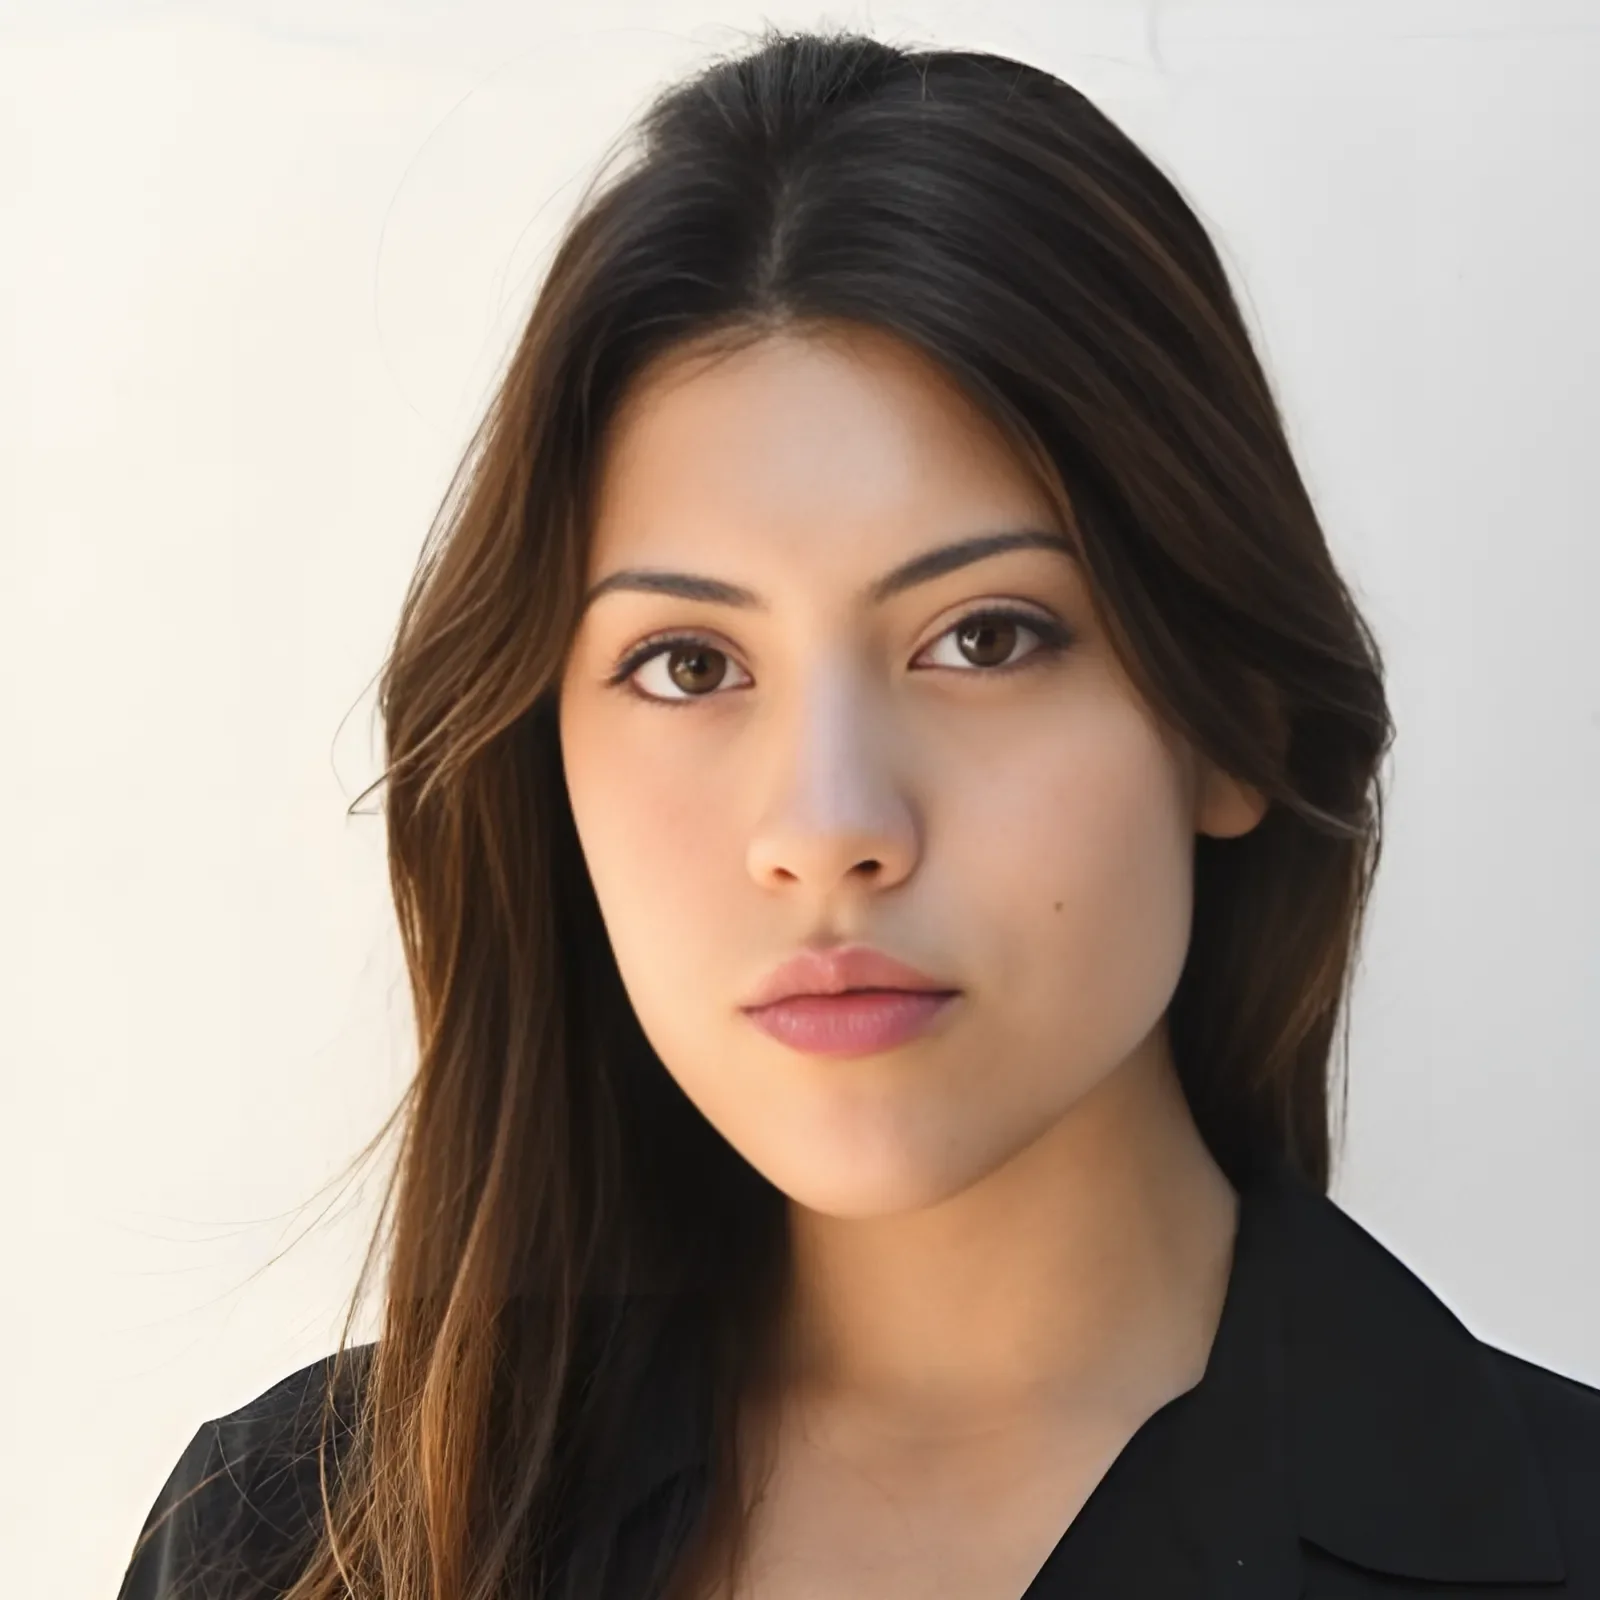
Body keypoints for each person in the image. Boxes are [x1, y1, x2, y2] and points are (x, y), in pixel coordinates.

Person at [115, 24, 1600, 1600]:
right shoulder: (287, 1541)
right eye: (689, 663)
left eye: (985, 637)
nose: (827, 827)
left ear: (1233, 719)